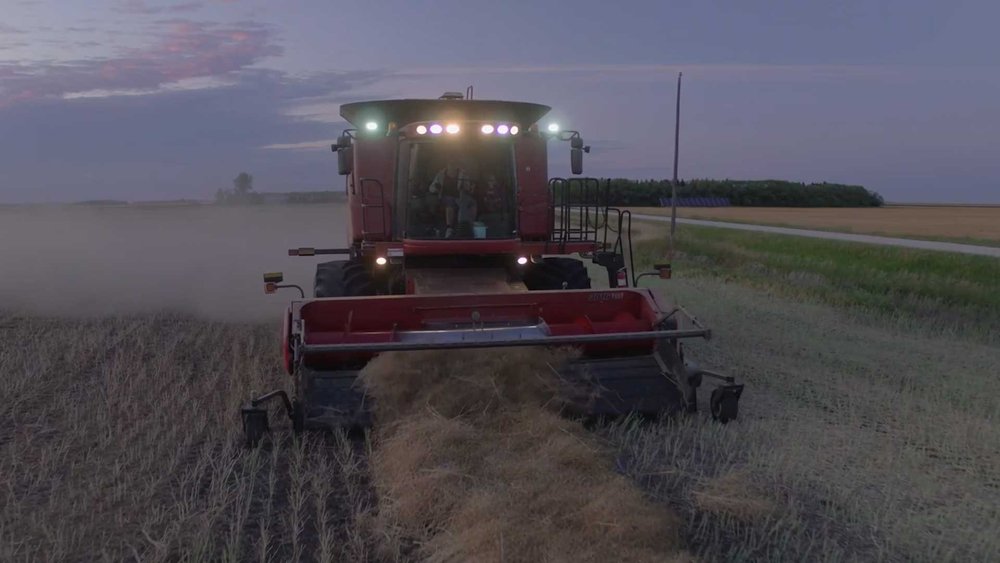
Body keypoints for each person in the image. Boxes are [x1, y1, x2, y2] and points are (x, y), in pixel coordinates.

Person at [429, 158, 471, 238]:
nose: (452, 166)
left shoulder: (463, 174)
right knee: (449, 201)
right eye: (450, 164)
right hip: (444, 199)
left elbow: (468, 188)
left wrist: (465, 186)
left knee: (471, 203)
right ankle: (449, 229)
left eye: (454, 164)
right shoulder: (440, 174)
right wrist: (436, 187)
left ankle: (467, 228)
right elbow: (431, 188)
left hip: (459, 198)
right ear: (447, 165)